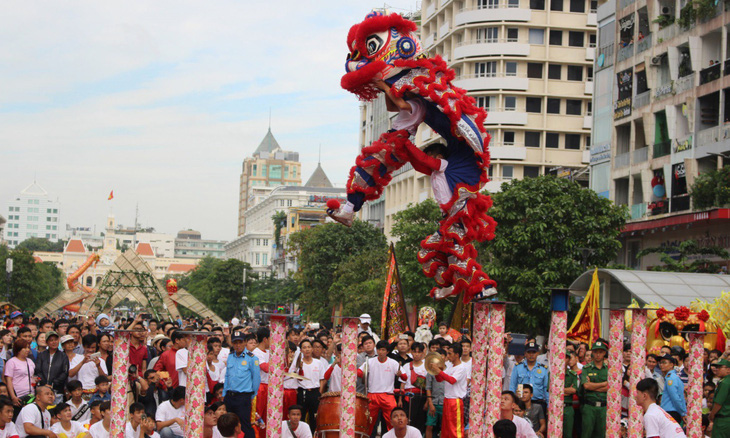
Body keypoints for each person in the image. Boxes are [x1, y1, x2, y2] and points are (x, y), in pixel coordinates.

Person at [357, 340, 408, 434]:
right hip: (372, 395)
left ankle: (394, 435)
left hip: (388, 395)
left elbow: (405, 377)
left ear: (387, 351)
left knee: (393, 420)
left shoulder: (393, 363)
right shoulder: (370, 361)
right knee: (368, 421)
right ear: (377, 350)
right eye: (379, 350)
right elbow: (359, 372)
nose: (381, 352)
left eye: (383, 350)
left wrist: (400, 375)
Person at [222, 331, 260, 438]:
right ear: (232, 343)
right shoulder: (230, 357)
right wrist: (224, 393)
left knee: (244, 424)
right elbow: (227, 376)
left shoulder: (252, 358)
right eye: (235, 343)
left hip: (243, 396)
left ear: (245, 342)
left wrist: (252, 395)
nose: (238, 345)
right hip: (230, 396)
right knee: (229, 425)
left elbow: (256, 378)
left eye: (240, 342)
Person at [428, 344, 469, 438]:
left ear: (457, 355)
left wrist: (438, 370)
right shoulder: (450, 366)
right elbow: (439, 379)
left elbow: (452, 380)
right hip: (447, 400)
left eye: (450, 354)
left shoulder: (461, 367)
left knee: (455, 429)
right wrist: (436, 371)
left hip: (455, 401)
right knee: (446, 429)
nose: (448, 356)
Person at [294, 339, 326, 432]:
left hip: (315, 392)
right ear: (301, 350)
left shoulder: (318, 362)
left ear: (312, 349)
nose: (307, 349)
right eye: (304, 347)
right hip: (302, 392)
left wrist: (319, 392)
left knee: (314, 418)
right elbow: (296, 378)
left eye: (309, 347)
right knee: (301, 417)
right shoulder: (298, 363)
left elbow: (322, 379)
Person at [581, 339, 609, 438]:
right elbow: (586, 386)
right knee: (586, 434)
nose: (598, 355)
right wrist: (604, 384)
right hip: (589, 406)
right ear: (592, 352)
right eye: (596, 352)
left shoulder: (608, 369)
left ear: (604, 353)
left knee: (601, 434)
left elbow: (609, 388)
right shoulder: (586, 368)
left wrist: (593, 386)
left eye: (600, 352)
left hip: (604, 407)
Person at [509, 342, 549, 413]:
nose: (531, 355)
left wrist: (548, 404)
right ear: (525, 353)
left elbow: (546, 389)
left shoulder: (543, 369)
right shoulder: (518, 367)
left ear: (537, 353)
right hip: (521, 403)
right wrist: (512, 402)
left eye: (533, 352)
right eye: (529, 352)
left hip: (538, 403)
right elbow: (512, 386)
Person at [34, 330, 68, 403]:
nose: (54, 342)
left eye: (56, 340)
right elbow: (38, 370)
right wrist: (45, 384)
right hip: (43, 388)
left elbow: (64, 372)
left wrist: (53, 384)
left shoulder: (63, 356)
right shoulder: (41, 355)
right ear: (47, 342)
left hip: (57, 390)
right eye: (51, 340)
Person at [4, 339, 36, 412]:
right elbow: (9, 380)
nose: (27, 350)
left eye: (28, 347)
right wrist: (13, 397)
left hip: (31, 394)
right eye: (24, 348)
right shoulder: (12, 362)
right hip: (18, 394)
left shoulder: (30, 361)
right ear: (18, 349)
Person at [402, 342, 427, 431]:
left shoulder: (426, 367)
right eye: (414, 352)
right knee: (408, 420)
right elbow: (402, 383)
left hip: (421, 396)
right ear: (411, 352)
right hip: (408, 396)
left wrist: (427, 401)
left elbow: (429, 386)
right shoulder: (406, 366)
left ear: (423, 353)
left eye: (419, 352)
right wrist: (400, 399)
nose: (416, 354)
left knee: (420, 421)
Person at [425, 348, 446, 438]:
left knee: (444, 427)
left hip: (445, 403)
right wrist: (430, 403)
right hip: (433, 402)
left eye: (442, 356)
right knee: (429, 425)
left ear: (445, 357)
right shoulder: (430, 372)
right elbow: (428, 388)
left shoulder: (449, 371)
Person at [658, 354, 686, 421]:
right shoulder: (673, 377)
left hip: (672, 412)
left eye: (664, 362)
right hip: (672, 411)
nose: (661, 365)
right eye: (660, 362)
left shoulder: (670, 378)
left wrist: (682, 412)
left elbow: (675, 397)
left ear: (671, 365)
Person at [710, 358, 730, 437]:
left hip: (723, 419)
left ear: (728, 369)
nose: (717, 369)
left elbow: (719, 402)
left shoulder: (725, 382)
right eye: (716, 367)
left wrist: (712, 414)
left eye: (720, 367)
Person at [563, 350, 579, 438]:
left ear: (568, 360)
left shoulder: (572, 375)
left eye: (566, 358)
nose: (563, 359)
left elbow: (574, 390)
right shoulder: (552, 373)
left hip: (568, 407)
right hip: (556, 406)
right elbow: (551, 390)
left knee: (568, 434)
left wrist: (559, 391)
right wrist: (567, 390)